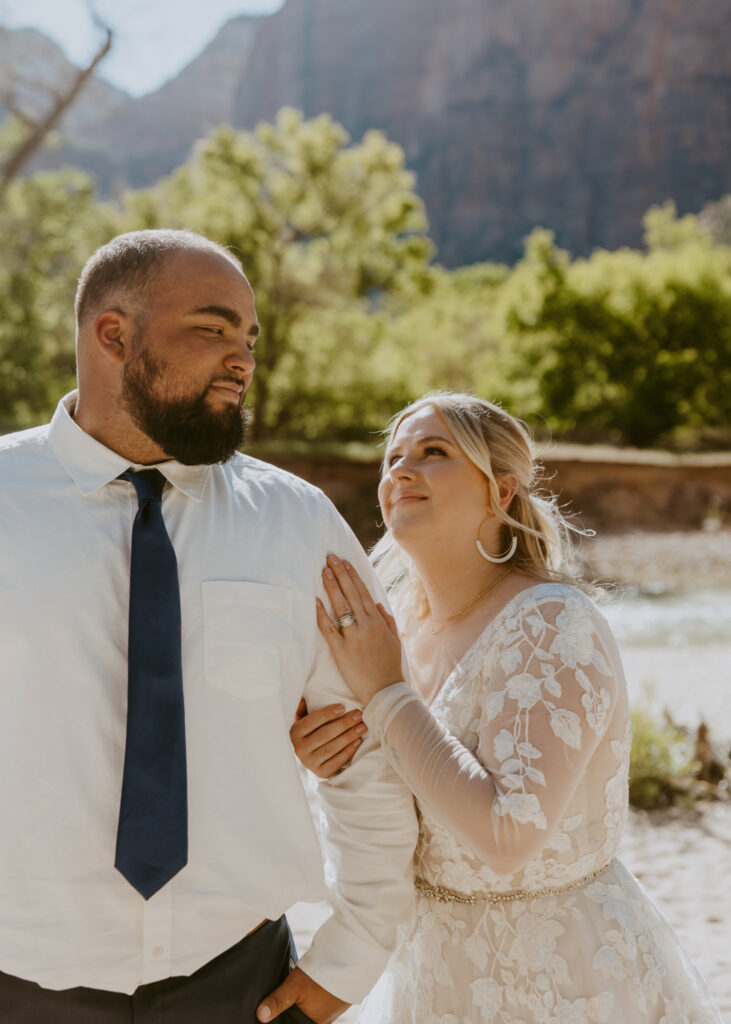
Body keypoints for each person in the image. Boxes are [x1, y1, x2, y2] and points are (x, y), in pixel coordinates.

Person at [0, 229, 418, 1024]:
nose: (242, 359)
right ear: (113, 334)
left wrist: (352, 956)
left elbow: (369, 750)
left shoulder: (297, 523)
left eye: (250, 338)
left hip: (238, 983)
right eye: (212, 329)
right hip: (17, 977)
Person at [292, 392, 723, 1023]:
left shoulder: (552, 622)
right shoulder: (391, 631)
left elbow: (508, 835)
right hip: (427, 973)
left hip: (560, 978)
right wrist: (324, 757)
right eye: (393, 458)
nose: (401, 471)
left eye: (433, 452)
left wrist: (386, 694)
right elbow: (386, 799)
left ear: (502, 492)